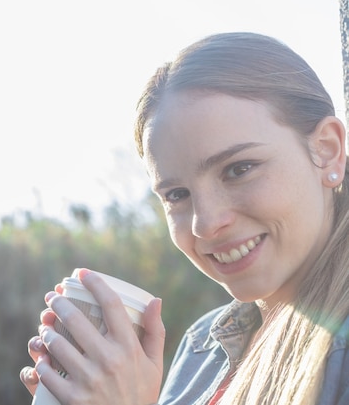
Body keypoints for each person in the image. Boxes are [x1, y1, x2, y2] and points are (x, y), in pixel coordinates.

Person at [19, 32, 349, 404]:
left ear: (327, 150)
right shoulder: (201, 348)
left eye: (239, 169)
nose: (204, 224)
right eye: (176, 195)